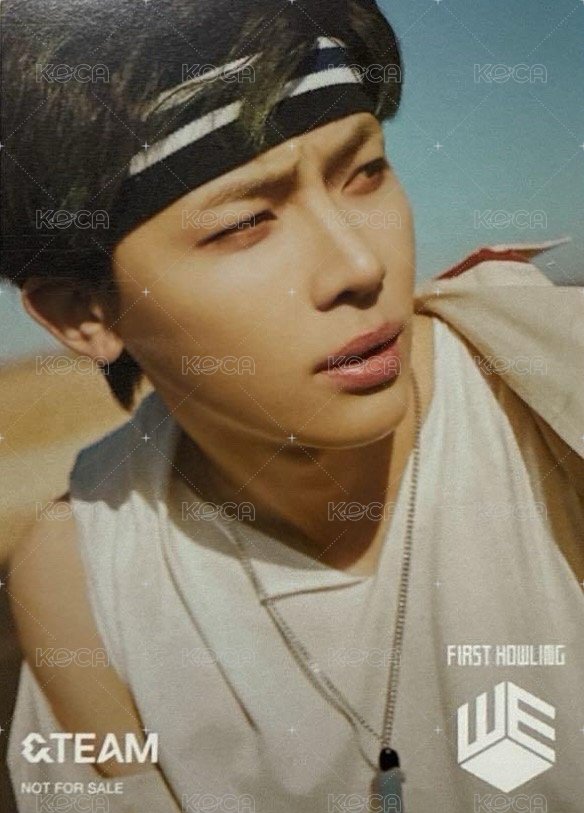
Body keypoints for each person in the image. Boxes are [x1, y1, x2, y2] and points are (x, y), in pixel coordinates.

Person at [2, 1, 583, 811]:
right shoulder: (84, 582)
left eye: (365, 172)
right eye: (245, 222)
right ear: (83, 313)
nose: (359, 264)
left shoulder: (553, 391)